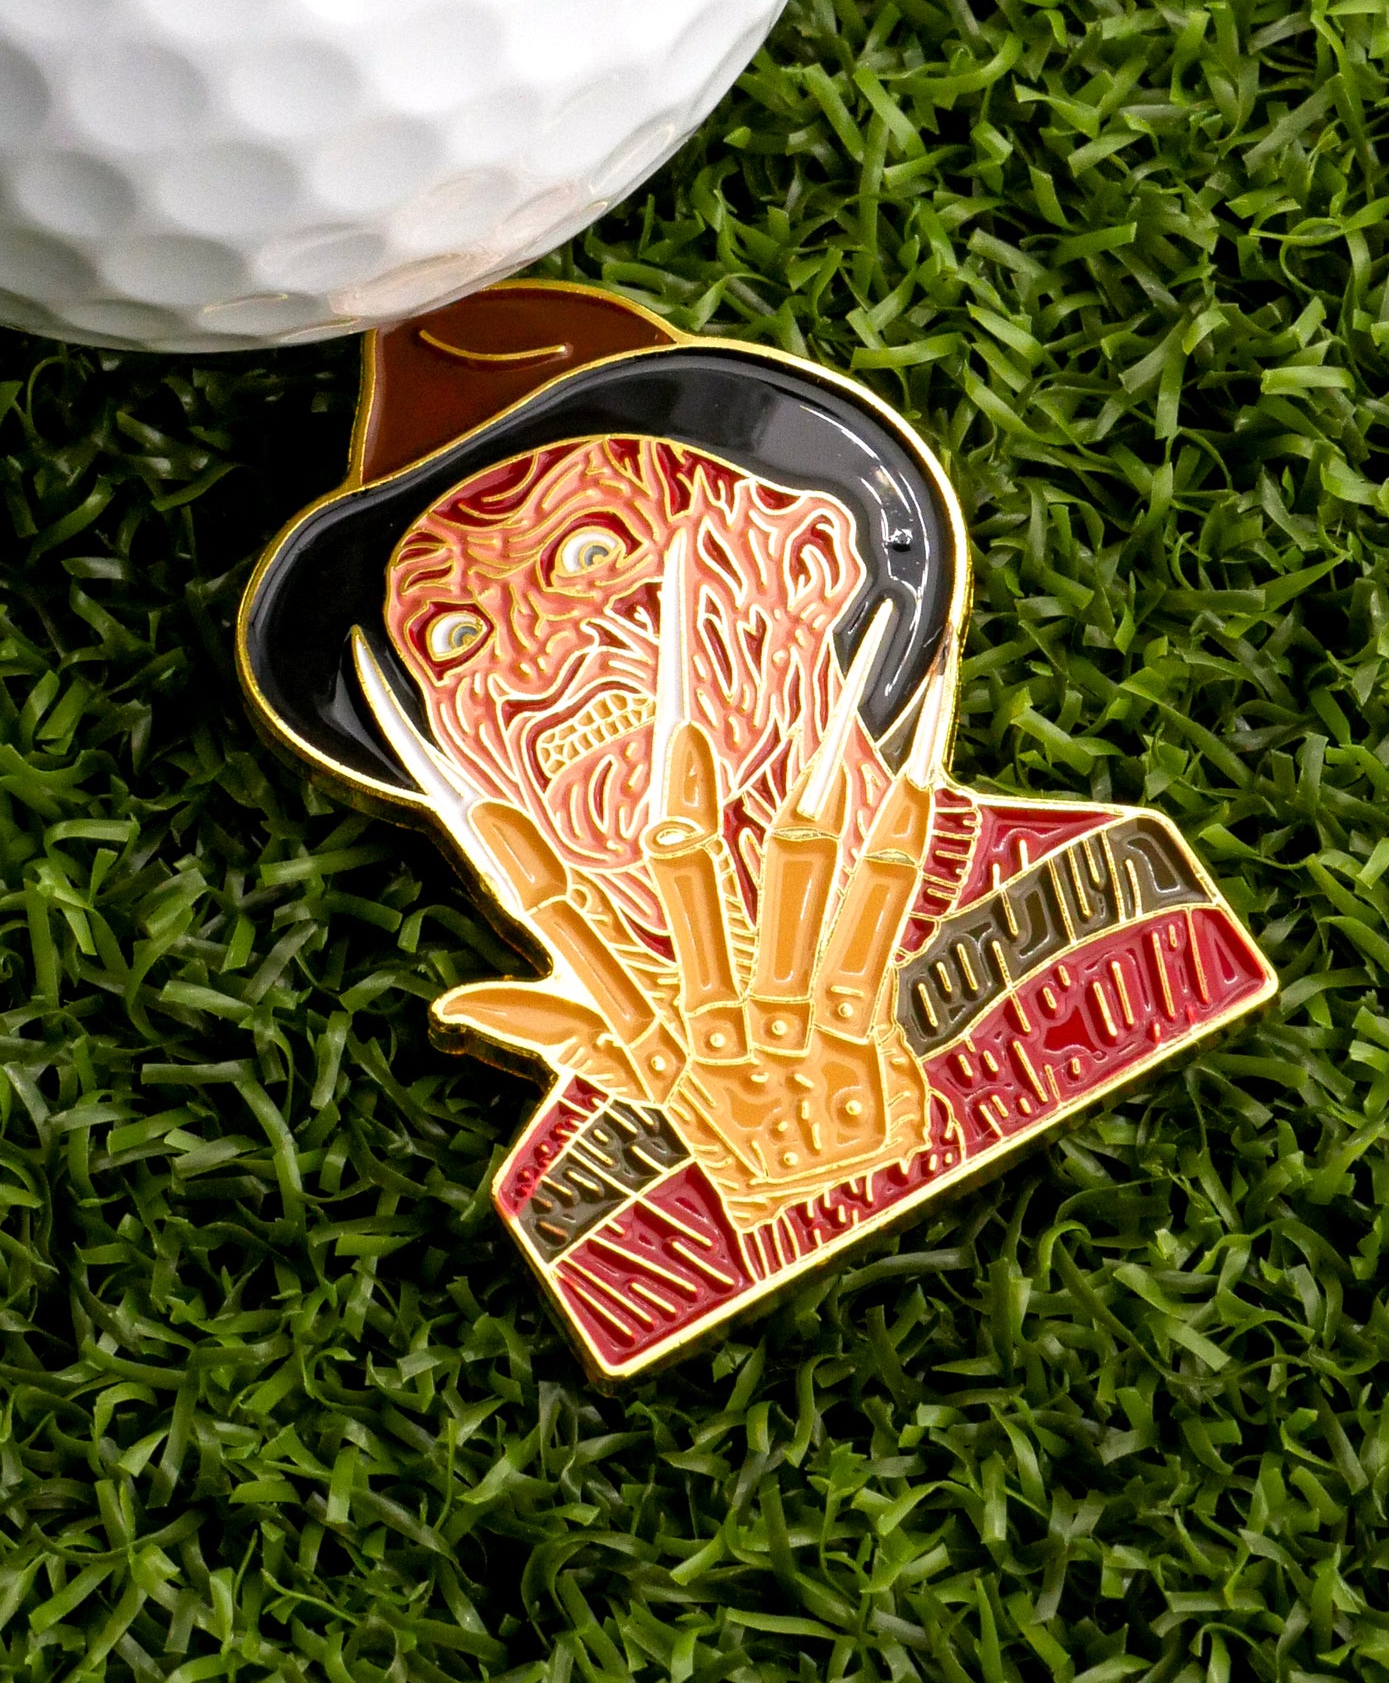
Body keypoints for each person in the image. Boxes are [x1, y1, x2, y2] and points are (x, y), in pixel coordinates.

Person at [239, 283, 1276, 1377]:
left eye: (590, 553)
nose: (529, 658)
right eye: (451, 632)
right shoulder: (583, 1208)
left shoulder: (1117, 912)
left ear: (805, 563)